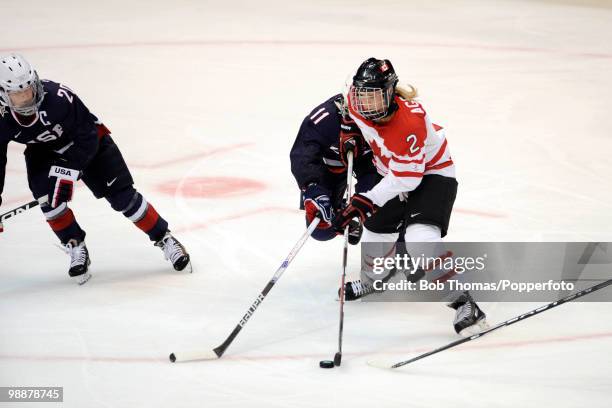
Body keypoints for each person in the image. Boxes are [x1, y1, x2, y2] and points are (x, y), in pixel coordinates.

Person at [0, 53, 191, 284]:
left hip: (89, 144)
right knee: (49, 202)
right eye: (18, 95)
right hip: (44, 153)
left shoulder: (60, 98)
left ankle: (164, 238)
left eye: (28, 89)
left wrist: (70, 170)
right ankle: (74, 244)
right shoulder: (1, 117)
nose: (27, 98)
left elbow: (88, 134)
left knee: (123, 198)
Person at [333, 57, 487, 336]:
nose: (365, 103)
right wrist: (348, 132)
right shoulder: (357, 102)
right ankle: (374, 279)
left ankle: (465, 302)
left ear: (390, 92)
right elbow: (349, 112)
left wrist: (366, 200)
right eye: (361, 94)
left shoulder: (408, 124)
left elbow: (408, 178)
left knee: (419, 242)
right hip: (394, 171)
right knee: (376, 229)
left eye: (374, 96)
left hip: (431, 175)